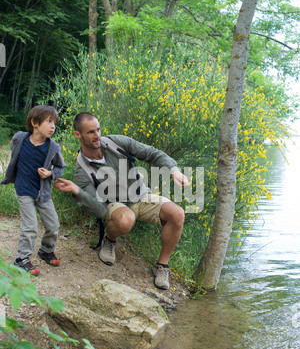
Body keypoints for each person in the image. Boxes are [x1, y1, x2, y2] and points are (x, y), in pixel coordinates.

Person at [54, 112, 188, 290]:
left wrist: (173, 170)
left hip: (141, 195)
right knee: (126, 219)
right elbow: (97, 208)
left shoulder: (116, 142)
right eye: (91, 132)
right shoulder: (82, 170)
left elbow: (152, 154)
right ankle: (109, 240)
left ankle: (162, 266)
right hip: (114, 204)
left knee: (177, 214)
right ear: (78, 134)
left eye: (98, 130)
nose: (97, 136)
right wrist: (77, 191)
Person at [1, 105, 66, 275]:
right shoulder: (19, 138)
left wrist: (50, 173)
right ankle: (21, 259)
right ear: (34, 122)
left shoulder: (53, 148)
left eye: (55, 123)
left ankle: (45, 250)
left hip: (42, 193)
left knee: (53, 225)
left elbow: (60, 167)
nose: (53, 126)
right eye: (48, 121)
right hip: (24, 191)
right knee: (30, 227)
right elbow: (13, 150)